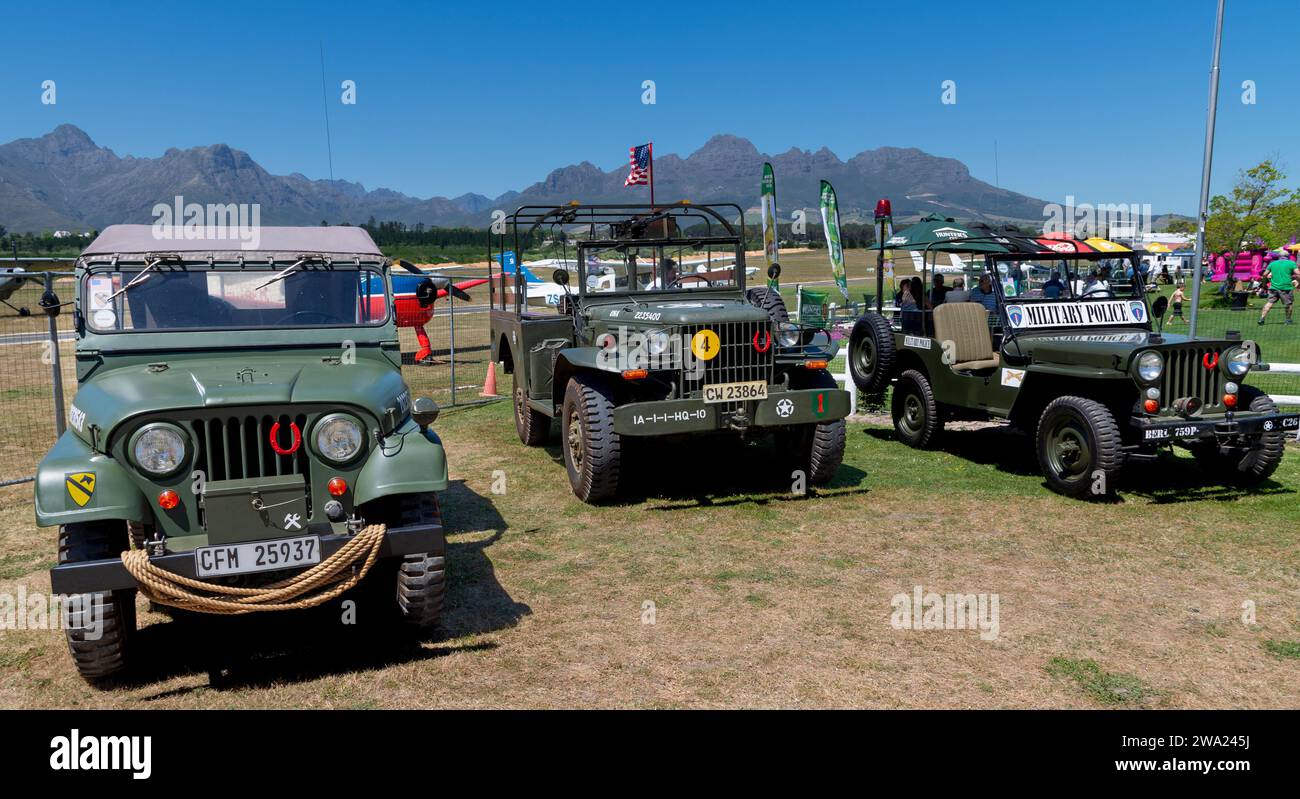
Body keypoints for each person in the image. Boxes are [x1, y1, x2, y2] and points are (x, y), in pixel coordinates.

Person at [1258, 254, 1297, 326]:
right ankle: (1288, 320)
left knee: (1269, 303)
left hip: (1273, 288)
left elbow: (1264, 275)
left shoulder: (1272, 263)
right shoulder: (1291, 263)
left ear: (1279, 257)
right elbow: (1298, 273)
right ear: (1287, 257)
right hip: (1286, 288)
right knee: (1288, 304)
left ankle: (1262, 318)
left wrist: (1264, 285)